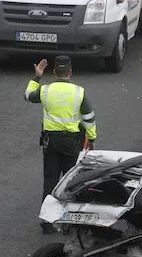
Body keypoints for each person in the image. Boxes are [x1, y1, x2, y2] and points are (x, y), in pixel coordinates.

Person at [24, 55, 97, 233]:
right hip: (72, 143)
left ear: (54, 72)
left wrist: (37, 76)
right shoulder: (79, 92)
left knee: (50, 180)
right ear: (70, 72)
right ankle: (70, 223)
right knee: (71, 181)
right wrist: (92, 138)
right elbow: (89, 118)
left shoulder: (45, 90)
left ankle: (47, 223)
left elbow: (27, 96)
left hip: (51, 142)